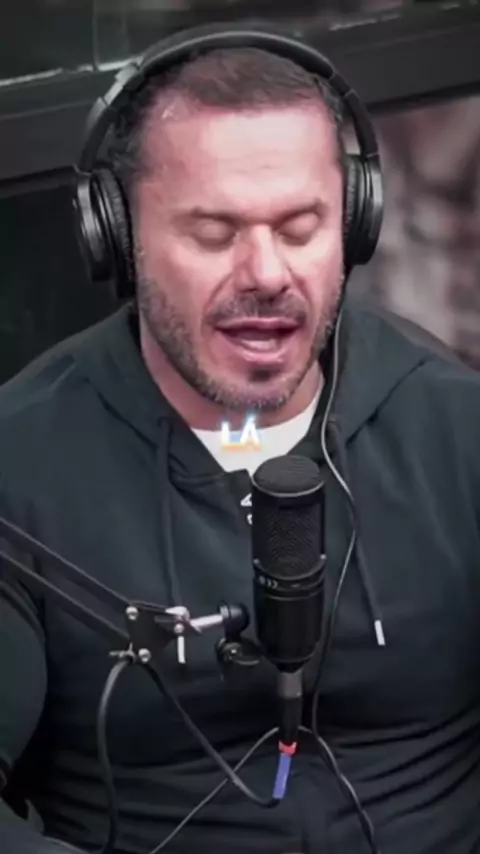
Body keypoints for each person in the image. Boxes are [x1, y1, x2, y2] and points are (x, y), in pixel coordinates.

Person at [1, 23, 480, 854]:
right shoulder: (23, 464)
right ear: (118, 236)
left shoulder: (454, 427)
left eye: (299, 228)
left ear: (355, 224)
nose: (265, 273)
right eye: (214, 233)